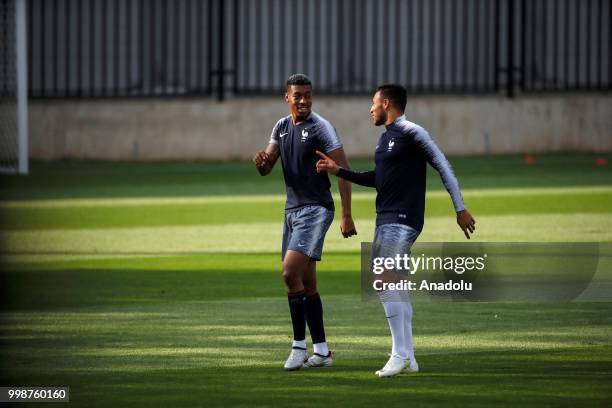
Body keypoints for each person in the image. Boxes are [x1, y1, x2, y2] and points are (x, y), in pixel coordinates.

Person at [315, 84, 476, 377]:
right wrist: (338, 171)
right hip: (385, 218)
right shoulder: (385, 139)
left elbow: (443, 165)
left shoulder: (413, 132)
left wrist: (460, 208)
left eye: (373, 104)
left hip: (403, 218)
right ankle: (409, 357)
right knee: (395, 284)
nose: (370, 109)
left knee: (383, 279)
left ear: (386, 104)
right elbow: (378, 179)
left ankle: (398, 354)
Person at [252, 74, 357, 371]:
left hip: (316, 210)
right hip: (292, 212)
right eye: (298, 96)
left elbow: (343, 170)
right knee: (307, 283)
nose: (304, 101)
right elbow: (267, 166)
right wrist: (260, 161)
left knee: (289, 273)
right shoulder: (281, 127)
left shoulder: (321, 128)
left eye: (308, 95)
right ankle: (321, 352)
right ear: (287, 97)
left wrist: (347, 215)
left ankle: (298, 346)